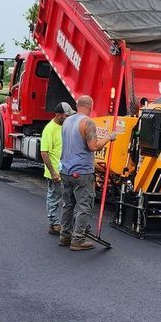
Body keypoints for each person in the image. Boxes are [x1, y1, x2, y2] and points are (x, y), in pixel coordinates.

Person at [58, 96, 116, 251]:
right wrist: (109, 138)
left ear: (77, 105)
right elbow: (93, 146)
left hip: (65, 170)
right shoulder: (87, 122)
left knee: (68, 204)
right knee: (84, 206)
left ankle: (65, 235)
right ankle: (78, 239)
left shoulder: (67, 121)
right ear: (91, 106)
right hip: (81, 171)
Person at [40, 102, 72, 235]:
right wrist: (53, 172)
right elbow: (44, 152)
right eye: (66, 115)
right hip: (55, 173)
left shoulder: (64, 127)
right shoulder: (49, 129)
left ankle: (63, 223)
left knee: (66, 198)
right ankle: (53, 224)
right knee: (54, 198)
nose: (69, 118)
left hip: (64, 170)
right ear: (58, 115)